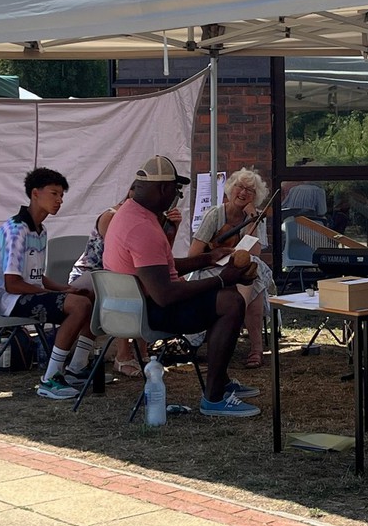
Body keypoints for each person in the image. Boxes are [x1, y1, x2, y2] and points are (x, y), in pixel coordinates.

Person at [103, 155, 261, 417]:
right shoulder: (142, 227)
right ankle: (214, 397)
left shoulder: (129, 215)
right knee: (230, 301)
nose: (177, 197)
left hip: (129, 307)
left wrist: (207, 258)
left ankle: (220, 380)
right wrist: (223, 278)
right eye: (176, 191)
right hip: (148, 313)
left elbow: (157, 267)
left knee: (225, 296)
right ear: (164, 189)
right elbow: (165, 294)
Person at [0, 167, 96, 400]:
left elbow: (35, 276)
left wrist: (65, 289)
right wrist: (50, 292)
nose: (59, 200)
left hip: (26, 295)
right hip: (11, 301)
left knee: (90, 296)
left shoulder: (40, 230)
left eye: (62, 195)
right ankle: (50, 379)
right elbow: (12, 284)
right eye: (54, 193)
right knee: (80, 305)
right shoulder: (17, 230)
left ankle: (77, 368)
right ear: (35, 193)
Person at [68, 190, 183, 377]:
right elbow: (119, 256)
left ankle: (141, 352)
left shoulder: (148, 220)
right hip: (92, 274)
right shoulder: (113, 217)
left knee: (144, 283)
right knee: (128, 285)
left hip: (118, 275)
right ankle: (122, 356)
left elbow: (160, 256)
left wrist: (172, 228)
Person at [188, 167, 274, 368]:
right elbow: (194, 254)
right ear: (230, 189)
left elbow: (255, 252)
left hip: (242, 269)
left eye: (250, 190)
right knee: (252, 281)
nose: (243, 193)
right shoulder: (215, 215)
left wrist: (252, 220)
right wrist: (218, 254)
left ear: (255, 197)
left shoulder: (256, 216)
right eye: (239, 187)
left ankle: (253, 346)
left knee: (253, 273)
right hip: (211, 268)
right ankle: (245, 337)